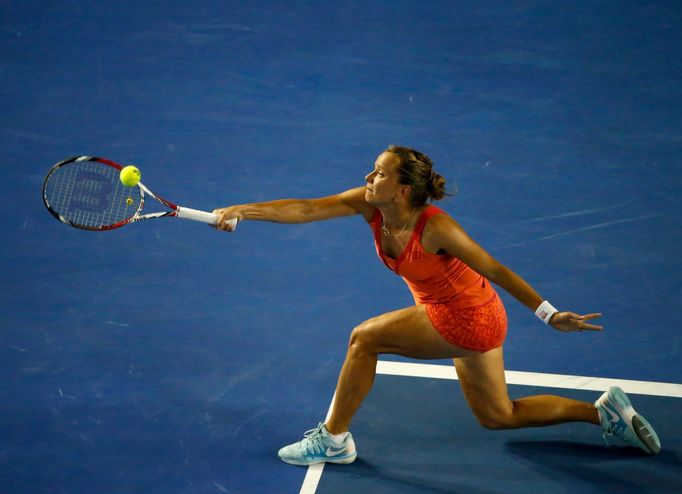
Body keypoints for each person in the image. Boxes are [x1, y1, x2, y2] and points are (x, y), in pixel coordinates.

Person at [213, 145, 661, 465]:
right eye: (373, 170)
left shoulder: (436, 229)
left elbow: (497, 269)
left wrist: (550, 314)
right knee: (498, 416)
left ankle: (332, 440)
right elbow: (307, 209)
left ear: (403, 190)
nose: (369, 179)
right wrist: (242, 210)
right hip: (473, 316)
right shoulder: (371, 205)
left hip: (467, 319)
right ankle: (602, 412)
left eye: (380, 174)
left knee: (363, 339)